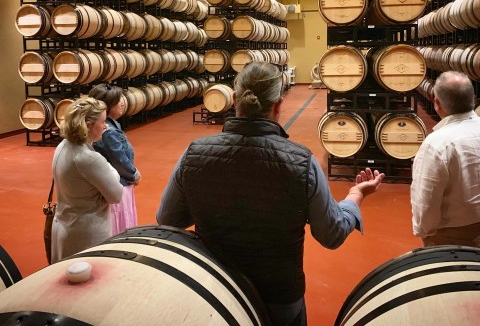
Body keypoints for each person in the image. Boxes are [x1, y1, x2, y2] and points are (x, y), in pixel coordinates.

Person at [156, 61, 384, 326]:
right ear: (277, 105)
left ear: (232, 99)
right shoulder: (301, 161)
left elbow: (168, 218)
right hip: (279, 298)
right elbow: (331, 234)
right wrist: (355, 196)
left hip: (216, 294)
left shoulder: (194, 153)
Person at [411, 70, 480, 247]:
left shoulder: (437, 144)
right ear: (472, 98)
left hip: (453, 238)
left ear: (437, 103)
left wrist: (426, 234)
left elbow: (426, 203)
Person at [51, 97, 123, 263]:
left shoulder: (63, 145)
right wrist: (113, 170)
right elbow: (116, 195)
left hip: (65, 225)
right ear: (89, 125)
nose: (105, 126)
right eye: (102, 122)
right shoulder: (88, 158)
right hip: (87, 233)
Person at [89, 84, 141, 235]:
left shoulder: (111, 124)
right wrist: (134, 174)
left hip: (121, 182)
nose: (123, 103)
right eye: (118, 101)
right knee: (119, 223)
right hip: (119, 184)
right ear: (107, 106)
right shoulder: (108, 132)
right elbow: (119, 160)